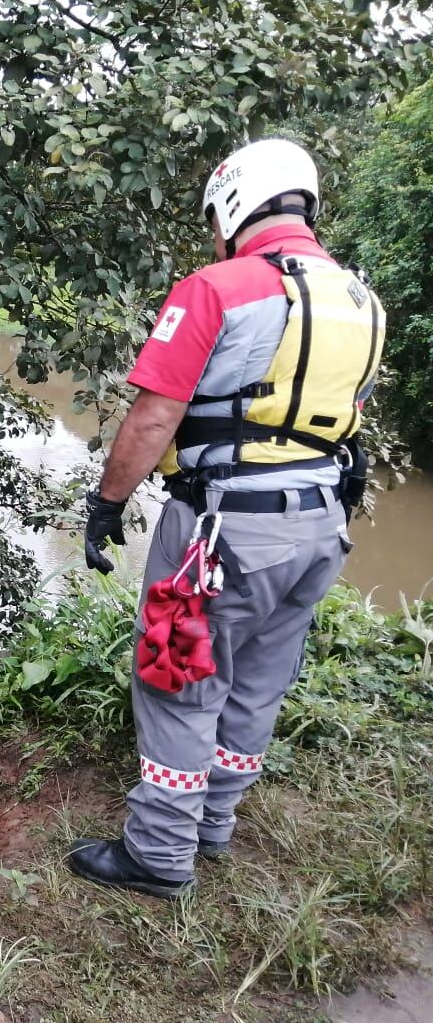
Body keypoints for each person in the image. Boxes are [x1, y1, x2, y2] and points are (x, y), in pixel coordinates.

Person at [70, 138, 386, 898]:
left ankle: (159, 853)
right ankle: (214, 825)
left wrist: (108, 504)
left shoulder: (218, 288)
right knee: (257, 680)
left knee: (178, 676)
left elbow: (154, 416)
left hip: (226, 528)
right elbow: (349, 416)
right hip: (320, 529)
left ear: (238, 203)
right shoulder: (361, 301)